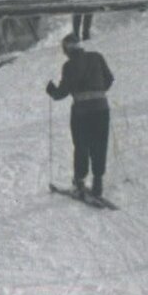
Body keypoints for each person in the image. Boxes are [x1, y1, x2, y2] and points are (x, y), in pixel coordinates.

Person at [47, 32, 114, 202]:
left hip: (82, 112)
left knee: (82, 145)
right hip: (101, 109)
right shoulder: (97, 57)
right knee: (100, 145)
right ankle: (98, 183)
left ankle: (79, 181)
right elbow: (110, 79)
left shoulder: (69, 66)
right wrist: (98, 92)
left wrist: (52, 91)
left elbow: (62, 93)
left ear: (67, 50)